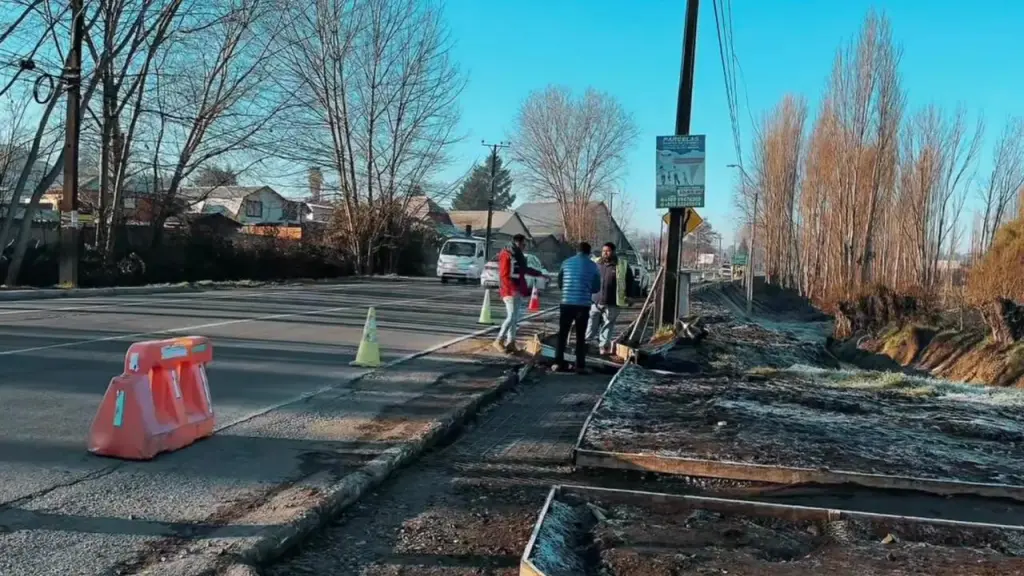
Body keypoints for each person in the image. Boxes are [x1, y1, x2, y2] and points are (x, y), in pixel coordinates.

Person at [555, 241, 601, 374]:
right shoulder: (593, 266)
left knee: (563, 333)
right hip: (583, 305)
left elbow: (560, 282)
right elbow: (596, 288)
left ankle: (558, 363)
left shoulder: (566, 263)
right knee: (580, 336)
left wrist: (567, 291)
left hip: (566, 303)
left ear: (577, 251)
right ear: (589, 252)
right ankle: (579, 366)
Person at [494, 233, 543, 353]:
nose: (524, 247)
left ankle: (511, 342)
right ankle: (498, 340)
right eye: (523, 244)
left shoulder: (518, 255)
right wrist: (511, 290)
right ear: (517, 243)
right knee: (511, 316)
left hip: (517, 289)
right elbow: (504, 275)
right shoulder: (506, 254)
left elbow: (523, 270)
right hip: (509, 290)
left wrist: (537, 273)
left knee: (515, 318)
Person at [587, 242, 634, 355]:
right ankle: (587, 344)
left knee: (607, 325)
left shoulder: (622, 265)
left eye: (607, 251)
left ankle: (603, 347)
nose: (605, 253)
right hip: (595, 301)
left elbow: (630, 282)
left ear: (613, 252)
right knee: (591, 324)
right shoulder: (596, 263)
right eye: (603, 251)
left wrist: (630, 296)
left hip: (613, 301)